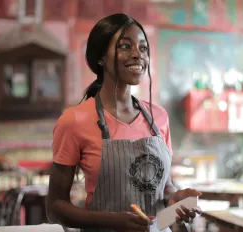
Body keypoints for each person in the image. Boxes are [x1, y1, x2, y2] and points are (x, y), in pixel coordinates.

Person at [47, 13, 202, 232]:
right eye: (125, 46)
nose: (138, 55)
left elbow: (164, 188)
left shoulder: (159, 118)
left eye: (143, 48)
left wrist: (175, 198)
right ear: (101, 57)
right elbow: (55, 207)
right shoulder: (74, 121)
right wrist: (113, 222)